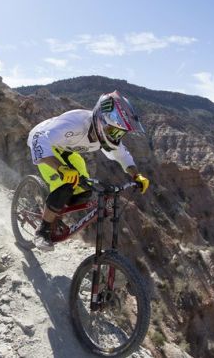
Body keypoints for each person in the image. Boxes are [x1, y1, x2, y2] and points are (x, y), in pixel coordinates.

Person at [27, 90, 150, 250]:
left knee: (83, 191)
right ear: (101, 122)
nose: (116, 136)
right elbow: (40, 139)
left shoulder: (105, 133)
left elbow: (122, 155)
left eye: (120, 133)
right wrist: (61, 168)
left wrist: (137, 176)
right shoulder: (75, 124)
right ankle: (42, 231)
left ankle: (54, 213)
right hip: (45, 144)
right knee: (66, 185)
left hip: (67, 149)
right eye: (114, 131)